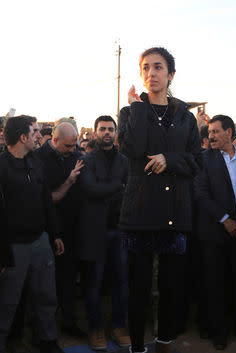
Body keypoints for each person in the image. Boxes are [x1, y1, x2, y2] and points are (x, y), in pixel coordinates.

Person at [118, 47, 202, 353]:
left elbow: (196, 161)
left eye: (158, 67)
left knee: (171, 287)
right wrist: (138, 107)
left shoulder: (185, 117)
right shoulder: (130, 113)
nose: (151, 73)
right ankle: (138, 347)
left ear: (171, 74)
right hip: (140, 212)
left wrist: (170, 159)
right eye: (145, 68)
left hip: (174, 213)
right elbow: (133, 149)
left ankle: (165, 341)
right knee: (138, 288)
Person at [0, 116, 65, 353]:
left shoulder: (36, 164)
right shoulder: (2, 167)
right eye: (35, 131)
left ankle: (47, 340)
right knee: (7, 303)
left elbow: (46, 202)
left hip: (40, 243)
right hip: (13, 249)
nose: (40, 135)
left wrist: (54, 234)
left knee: (46, 297)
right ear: (22, 137)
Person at [194, 115, 236, 350]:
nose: (211, 136)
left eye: (216, 131)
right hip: (214, 231)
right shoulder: (204, 159)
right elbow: (200, 193)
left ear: (230, 132)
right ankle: (219, 332)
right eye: (209, 131)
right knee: (215, 283)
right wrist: (225, 219)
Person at [78, 116, 130, 350]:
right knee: (93, 283)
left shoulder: (125, 161)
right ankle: (97, 329)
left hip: (120, 230)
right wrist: (118, 187)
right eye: (102, 129)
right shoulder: (86, 160)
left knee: (121, 281)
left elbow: (130, 193)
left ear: (116, 132)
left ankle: (119, 326)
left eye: (110, 129)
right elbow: (89, 189)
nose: (106, 132)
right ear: (95, 133)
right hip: (95, 231)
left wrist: (108, 190)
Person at [33, 122, 85, 338]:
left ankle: (68, 322)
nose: (73, 150)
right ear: (54, 141)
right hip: (48, 232)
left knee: (68, 279)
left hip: (72, 230)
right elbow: (47, 200)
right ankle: (43, 330)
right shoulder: (38, 160)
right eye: (68, 146)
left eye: (75, 146)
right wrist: (69, 181)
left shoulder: (75, 156)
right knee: (45, 284)